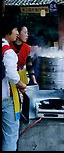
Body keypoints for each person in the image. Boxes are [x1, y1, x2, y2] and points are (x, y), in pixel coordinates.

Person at [2, 17, 27, 151]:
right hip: (5, 99)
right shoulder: (8, 51)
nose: (17, 32)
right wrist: (21, 84)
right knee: (10, 135)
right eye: (15, 29)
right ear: (8, 31)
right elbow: (12, 75)